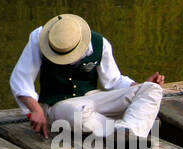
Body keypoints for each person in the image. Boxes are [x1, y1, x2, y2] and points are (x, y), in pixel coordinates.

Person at [9, 13, 164, 141]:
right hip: (59, 106)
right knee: (77, 113)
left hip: (91, 100)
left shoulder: (100, 44)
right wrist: (35, 109)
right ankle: (128, 129)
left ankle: (126, 131)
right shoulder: (40, 37)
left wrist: (139, 86)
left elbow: (114, 81)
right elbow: (20, 79)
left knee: (152, 89)